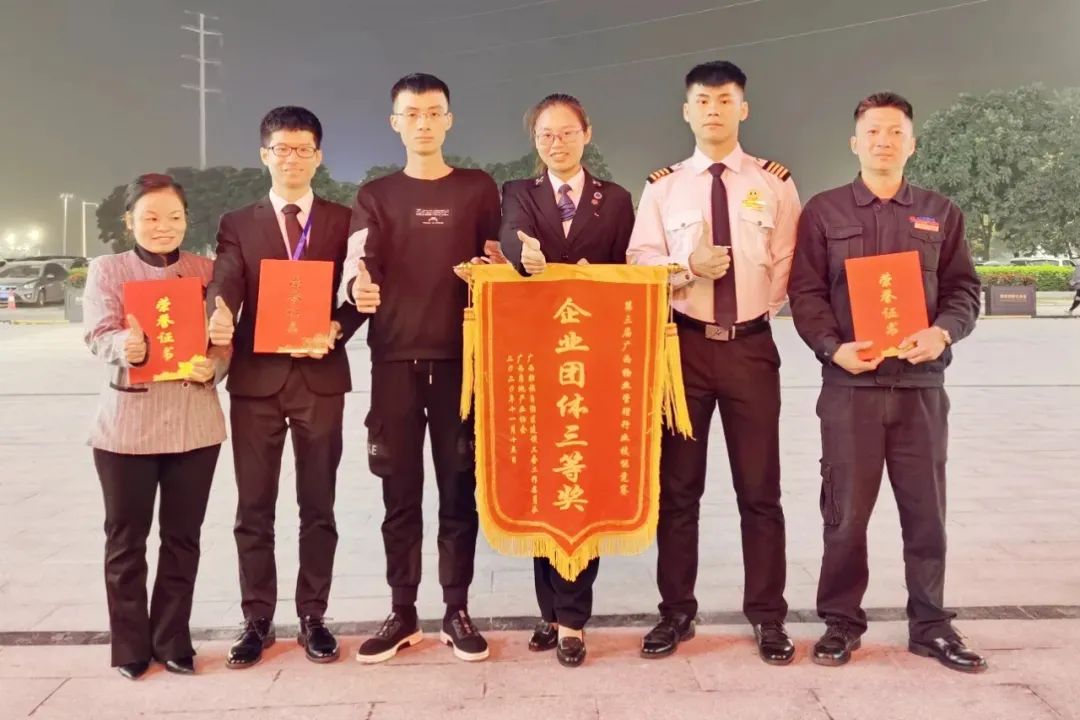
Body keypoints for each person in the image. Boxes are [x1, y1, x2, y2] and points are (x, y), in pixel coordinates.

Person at [787, 92, 987, 673]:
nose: (883, 141)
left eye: (895, 132)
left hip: (920, 389)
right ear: (855, 142)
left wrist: (943, 334)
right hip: (850, 391)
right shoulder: (824, 212)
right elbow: (806, 293)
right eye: (873, 131)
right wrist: (833, 348)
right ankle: (841, 623)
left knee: (926, 514)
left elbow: (963, 289)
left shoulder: (940, 212)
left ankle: (931, 625)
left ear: (911, 144)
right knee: (845, 515)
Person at [626, 60, 800, 665]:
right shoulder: (663, 187)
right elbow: (640, 262)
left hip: (751, 347)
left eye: (725, 100)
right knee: (678, 490)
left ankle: (768, 616)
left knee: (760, 490)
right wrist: (685, 269)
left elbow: (788, 261)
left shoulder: (775, 183)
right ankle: (676, 612)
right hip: (685, 349)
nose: (714, 110)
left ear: (743, 108)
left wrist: (755, 315)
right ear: (687, 111)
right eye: (702, 101)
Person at [342, 73, 502, 664]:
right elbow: (360, 262)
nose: (424, 123)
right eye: (412, 114)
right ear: (396, 123)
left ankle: (456, 609)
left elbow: (498, 259)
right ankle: (402, 610)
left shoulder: (478, 189)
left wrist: (502, 264)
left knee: (460, 491)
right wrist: (356, 286)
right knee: (399, 495)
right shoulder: (376, 195)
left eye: (434, 112)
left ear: (449, 120)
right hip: (394, 362)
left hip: (462, 363)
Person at [207, 106, 365, 668]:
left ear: (318, 156)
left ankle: (313, 616)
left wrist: (338, 328)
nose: (292, 158)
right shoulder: (238, 222)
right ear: (264, 155)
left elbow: (360, 292)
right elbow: (226, 278)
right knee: (254, 507)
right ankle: (256, 620)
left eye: (303, 149)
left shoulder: (344, 220)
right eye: (282, 148)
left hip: (320, 378)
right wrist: (218, 311)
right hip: (257, 380)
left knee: (318, 504)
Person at [499, 93, 635, 667]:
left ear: (586, 134)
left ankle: (574, 619)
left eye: (566, 133)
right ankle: (550, 611)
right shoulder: (518, 193)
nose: (556, 144)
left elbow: (631, 268)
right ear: (535, 141)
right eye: (546, 135)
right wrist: (523, 255)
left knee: (582, 481)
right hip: (538, 360)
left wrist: (598, 279)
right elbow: (512, 237)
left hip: (592, 361)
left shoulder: (616, 199)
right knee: (543, 483)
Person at [84, 173, 228, 679]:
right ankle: (129, 646)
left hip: (194, 424)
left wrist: (216, 365)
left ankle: (173, 640)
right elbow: (98, 333)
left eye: (174, 216)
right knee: (126, 540)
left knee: (183, 538)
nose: (163, 226)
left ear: (187, 219)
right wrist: (123, 345)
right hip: (128, 425)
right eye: (150, 217)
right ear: (130, 222)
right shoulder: (108, 270)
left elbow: (223, 337)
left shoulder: (207, 271)